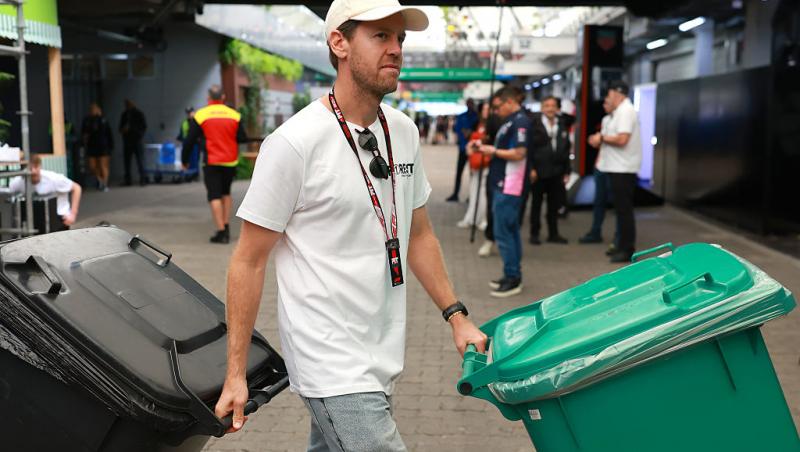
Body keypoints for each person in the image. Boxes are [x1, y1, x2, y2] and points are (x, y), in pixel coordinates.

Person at [213, 2, 487, 451]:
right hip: (329, 358)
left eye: (400, 39)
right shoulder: (294, 144)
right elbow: (248, 260)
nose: (396, 49)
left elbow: (418, 235)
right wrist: (235, 374)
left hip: (382, 347)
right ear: (339, 42)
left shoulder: (403, 132)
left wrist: (457, 317)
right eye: (381, 36)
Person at [477, 86, 530, 297]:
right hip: (503, 183)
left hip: (510, 186)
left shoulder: (520, 122)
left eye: (498, 107)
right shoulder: (509, 122)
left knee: (503, 233)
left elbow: (519, 153)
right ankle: (512, 273)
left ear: (509, 102)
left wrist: (493, 151)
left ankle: (513, 277)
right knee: (509, 230)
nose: (496, 111)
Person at [182, 85, 247, 244]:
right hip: (230, 161)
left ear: (208, 98)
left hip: (212, 161)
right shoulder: (235, 115)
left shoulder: (201, 115)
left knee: (214, 195)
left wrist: (185, 160)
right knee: (226, 193)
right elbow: (242, 138)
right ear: (223, 97)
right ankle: (226, 226)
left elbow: (189, 140)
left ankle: (221, 231)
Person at [587, 80, 642, 263]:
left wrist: (601, 137)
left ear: (618, 95)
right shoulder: (617, 113)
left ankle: (627, 249)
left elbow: (622, 139)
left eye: (609, 95)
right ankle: (621, 245)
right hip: (616, 166)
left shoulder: (626, 111)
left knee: (624, 210)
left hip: (623, 168)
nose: (607, 99)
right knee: (620, 210)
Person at [526, 96, 571, 245]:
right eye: (547, 106)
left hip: (556, 172)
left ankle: (553, 233)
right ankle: (534, 233)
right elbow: (529, 149)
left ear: (557, 108)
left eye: (553, 106)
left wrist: (567, 171)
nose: (550, 109)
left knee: (554, 205)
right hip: (538, 172)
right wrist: (531, 168)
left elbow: (566, 148)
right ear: (542, 108)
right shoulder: (534, 124)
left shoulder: (562, 124)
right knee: (536, 204)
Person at [579, 97, 619, 250]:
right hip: (601, 165)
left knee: (618, 205)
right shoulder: (605, 120)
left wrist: (601, 138)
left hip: (615, 167)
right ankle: (595, 231)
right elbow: (598, 141)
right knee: (599, 201)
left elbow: (621, 140)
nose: (604, 106)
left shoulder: (622, 120)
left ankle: (618, 237)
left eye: (607, 103)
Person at [8, 154, 81, 231]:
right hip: (34, 220)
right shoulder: (18, 182)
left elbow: (76, 188)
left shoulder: (54, 178)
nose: (33, 171)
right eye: (29, 168)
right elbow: (8, 196)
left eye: (35, 167)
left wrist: (73, 214)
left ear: (40, 166)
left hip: (59, 219)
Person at [457, 102, 490, 229]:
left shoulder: (492, 125)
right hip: (475, 162)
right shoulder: (479, 124)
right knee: (474, 191)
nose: (486, 111)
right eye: (485, 109)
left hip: (485, 163)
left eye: (488, 109)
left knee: (482, 192)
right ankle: (471, 218)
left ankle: (481, 219)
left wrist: (477, 144)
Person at [477, 105, 504, 257]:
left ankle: (503, 240)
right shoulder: (492, 121)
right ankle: (490, 238)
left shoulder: (519, 121)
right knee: (492, 208)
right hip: (494, 170)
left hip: (513, 175)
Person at [446, 99, 478, 202]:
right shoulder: (462, 116)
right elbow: (457, 130)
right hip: (463, 148)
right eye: (469, 103)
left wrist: (469, 133)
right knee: (459, 172)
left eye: (471, 103)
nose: (470, 105)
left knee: (473, 173)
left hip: (473, 149)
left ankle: (472, 195)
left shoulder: (476, 117)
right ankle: (455, 194)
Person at [81, 103, 113, 191]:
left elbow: (109, 133)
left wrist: (110, 146)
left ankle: (105, 184)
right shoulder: (87, 120)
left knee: (103, 165)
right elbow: (84, 133)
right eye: (91, 109)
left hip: (103, 146)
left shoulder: (103, 120)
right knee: (92, 166)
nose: (93, 111)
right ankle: (100, 180)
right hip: (92, 146)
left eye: (95, 109)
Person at [119, 99, 148, 186]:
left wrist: (138, 134)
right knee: (127, 162)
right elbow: (120, 128)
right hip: (127, 140)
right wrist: (124, 130)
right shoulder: (124, 115)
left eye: (128, 104)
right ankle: (128, 180)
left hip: (137, 140)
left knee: (140, 160)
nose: (127, 106)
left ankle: (143, 179)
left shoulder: (138, 114)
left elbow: (144, 126)